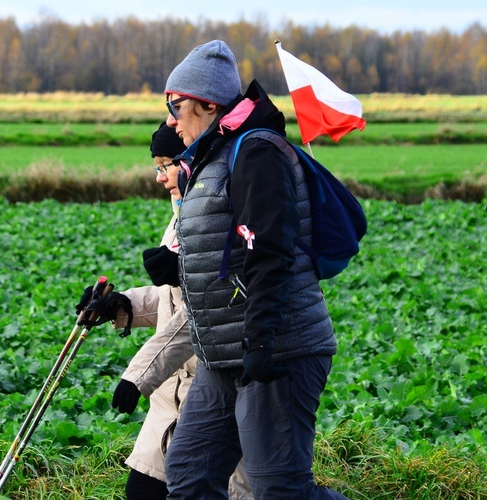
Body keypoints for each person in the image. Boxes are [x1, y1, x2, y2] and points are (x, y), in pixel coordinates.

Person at [141, 40, 349, 499]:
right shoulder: (210, 156)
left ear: (208, 104)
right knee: (191, 475)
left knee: (280, 489)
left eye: (176, 106)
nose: (171, 119)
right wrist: (177, 265)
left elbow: (269, 249)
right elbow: (229, 248)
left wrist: (260, 341)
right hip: (224, 353)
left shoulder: (256, 151)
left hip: (275, 349)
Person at [109, 123, 253, 500]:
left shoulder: (219, 217)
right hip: (170, 398)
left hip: (210, 391)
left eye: (166, 164)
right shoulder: (180, 218)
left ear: (192, 161)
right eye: (156, 167)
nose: (160, 178)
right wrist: (120, 304)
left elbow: (201, 312)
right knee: (142, 492)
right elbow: (171, 299)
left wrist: (137, 376)